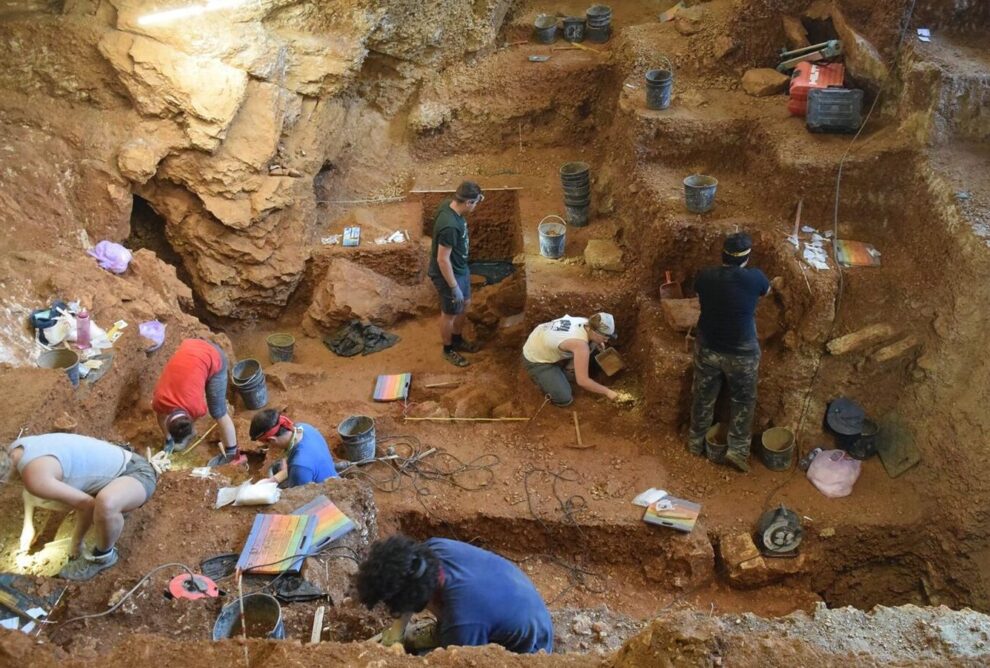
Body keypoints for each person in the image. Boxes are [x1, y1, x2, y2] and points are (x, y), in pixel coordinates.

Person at [356, 534, 553, 654]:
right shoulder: (431, 551)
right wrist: (395, 636)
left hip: (527, 651)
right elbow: (407, 579)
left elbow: (465, 660)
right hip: (514, 600)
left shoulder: (464, 622)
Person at [0, 433, 158, 581]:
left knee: (105, 505)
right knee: (47, 494)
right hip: (124, 461)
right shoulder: (15, 449)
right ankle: (116, 507)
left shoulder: (34, 478)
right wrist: (28, 527)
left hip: (138, 475)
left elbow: (87, 505)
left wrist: (76, 542)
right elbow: (32, 489)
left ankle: (103, 557)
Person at [686, 232, 774, 472]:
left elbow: (697, 293)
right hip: (742, 354)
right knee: (743, 401)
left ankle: (695, 442)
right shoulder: (755, 278)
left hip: (708, 348)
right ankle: (737, 450)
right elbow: (766, 292)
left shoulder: (705, 276)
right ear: (746, 258)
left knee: (703, 396)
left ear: (722, 254)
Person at [152, 338, 242, 466]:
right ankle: (186, 434)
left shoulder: (196, 407)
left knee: (218, 412)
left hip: (213, 357)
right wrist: (169, 439)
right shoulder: (159, 401)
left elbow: (186, 416)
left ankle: (232, 454)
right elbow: (161, 417)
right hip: (192, 347)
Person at [427, 181, 484, 368]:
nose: (476, 206)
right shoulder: (449, 226)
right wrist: (453, 287)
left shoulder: (448, 205)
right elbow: (442, 259)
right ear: (468, 202)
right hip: (447, 274)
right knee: (450, 313)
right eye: (475, 202)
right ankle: (448, 348)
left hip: (460, 268)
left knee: (464, 304)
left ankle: (458, 339)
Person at [522, 312, 620, 407]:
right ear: (594, 331)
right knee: (564, 398)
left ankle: (568, 369)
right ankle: (551, 376)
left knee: (592, 344)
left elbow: (586, 339)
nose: (607, 340)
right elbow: (582, 381)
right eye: (604, 337)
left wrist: (598, 341)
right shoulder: (580, 345)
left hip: (542, 337)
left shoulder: (585, 322)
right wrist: (607, 392)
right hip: (536, 358)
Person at [249, 409, 338, 488]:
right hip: (329, 476)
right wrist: (273, 480)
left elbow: (301, 499)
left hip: (324, 495)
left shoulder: (299, 467)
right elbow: (291, 454)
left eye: (266, 443)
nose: (270, 447)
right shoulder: (303, 427)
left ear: (271, 439)